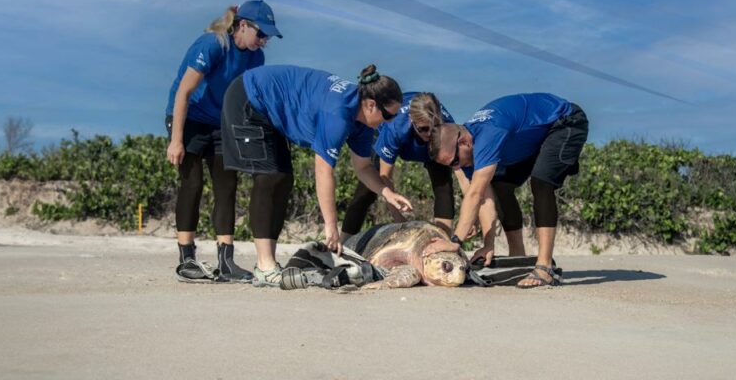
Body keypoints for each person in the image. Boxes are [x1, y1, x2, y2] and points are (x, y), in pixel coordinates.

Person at [219, 64, 414, 287]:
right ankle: (265, 266)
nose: (390, 122)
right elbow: (323, 171)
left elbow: (363, 167)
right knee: (270, 177)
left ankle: (269, 264)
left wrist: (387, 193)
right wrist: (330, 225)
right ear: (371, 105)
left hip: (270, 108)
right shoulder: (338, 115)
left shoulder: (363, 124)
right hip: (249, 96)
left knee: (283, 180)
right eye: (389, 115)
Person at [165, 0, 281, 283]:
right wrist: (176, 140)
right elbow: (184, 91)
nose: (264, 41)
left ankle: (225, 260)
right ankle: (187, 259)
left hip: (220, 123)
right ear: (243, 25)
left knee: (227, 185)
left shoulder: (256, 59)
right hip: (188, 117)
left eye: (268, 36)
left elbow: (247, 102)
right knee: (192, 183)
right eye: (261, 33)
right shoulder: (213, 45)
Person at [429, 93, 589, 288]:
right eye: (450, 166)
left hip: (565, 122)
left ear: (464, 142)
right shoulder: (467, 153)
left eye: (455, 161)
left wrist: (455, 241)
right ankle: (518, 257)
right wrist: (489, 245)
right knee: (501, 186)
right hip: (533, 138)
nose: (456, 168)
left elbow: (474, 193)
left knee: (541, 182)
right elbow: (485, 200)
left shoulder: (488, 134)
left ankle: (545, 268)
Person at [340, 92, 471, 239]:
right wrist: (401, 224)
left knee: (443, 184)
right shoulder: (396, 128)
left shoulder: (446, 125)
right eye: (423, 129)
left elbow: (462, 172)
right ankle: (343, 242)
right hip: (390, 137)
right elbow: (385, 177)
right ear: (412, 120)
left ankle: (442, 238)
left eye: (434, 128)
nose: (429, 135)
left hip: (430, 145)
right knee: (367, 189)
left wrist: (472, 214)